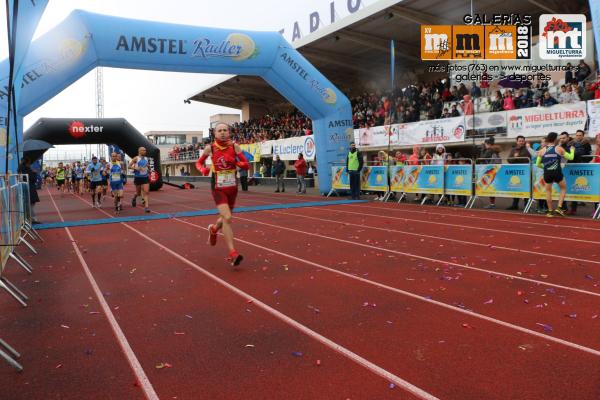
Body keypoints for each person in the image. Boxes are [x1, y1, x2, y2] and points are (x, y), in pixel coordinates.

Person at [195, 122, 249, 267]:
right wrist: (203, 170)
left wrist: (236, 162)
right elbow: (198, 163)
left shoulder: (234, 147)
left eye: (225, 130)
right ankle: (233, 253)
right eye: (220, 130)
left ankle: (213, 229)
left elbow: (246, 164)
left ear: (229, 132)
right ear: (215, 133)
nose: (223, 132)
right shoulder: (210, 148)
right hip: (218, 187)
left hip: (232, 187)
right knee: (228, 217)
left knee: (225, 218)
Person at [536, 131, 575, 217]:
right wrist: (572, 150)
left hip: (547, 173)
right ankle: (559, 207)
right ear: (555, 139)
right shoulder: (559, 149)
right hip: (557, 172)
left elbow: (537, 164)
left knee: (548, 191)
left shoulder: (541, 151)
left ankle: (550, 211)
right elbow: (571, 157)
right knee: (563, 189)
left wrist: (546, 166)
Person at [566, 129, 592, 215]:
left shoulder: (587, 144)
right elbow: (567, 154)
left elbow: (590, 156)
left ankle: (593, 208)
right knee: (574, 188)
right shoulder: (570, 143)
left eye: (580, 135)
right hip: (572, 168)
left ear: (583, 136)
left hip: (583, 168)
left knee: (587, 186)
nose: (578, 137)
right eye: (577, 135)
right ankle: (573, 209)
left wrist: (582, 160)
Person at [506, 135, 531, 210]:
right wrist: (514, 158)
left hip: (525, 172)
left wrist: (518, 158)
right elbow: (508, 160)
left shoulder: (527, 150)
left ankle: (526, 205)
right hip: (515, 172)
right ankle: (515, 205)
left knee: (525, 188)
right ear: (517, 141)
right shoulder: (513, 150)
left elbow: (528, 159)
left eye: (522, 141)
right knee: (515, 187)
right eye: (519, 141)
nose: (521, 142)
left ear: (524, 142)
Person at [18, 157, 40, 224]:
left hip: (24, 187)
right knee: (31, 204)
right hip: (30, 188)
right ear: (27, 163)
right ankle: (32, 219)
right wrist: (34, 173)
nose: (30, 164)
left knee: (27, 204)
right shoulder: (27, 169)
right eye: (30, 162)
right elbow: (33, 179)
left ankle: (27, 219)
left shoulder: (20, 169)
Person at [129, 147, 151, 213]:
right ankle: (134, 198)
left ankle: (146, 207)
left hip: (145, 177)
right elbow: (129, 166)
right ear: (139, 151)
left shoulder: (147, 158)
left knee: (146, 192)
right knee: (138, 193)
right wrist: (136, 168)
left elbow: (147, 166)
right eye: (143, 150)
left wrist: (149, 168)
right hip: (138, 177)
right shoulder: (136, 158)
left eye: (145, 150)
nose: (145, 151)